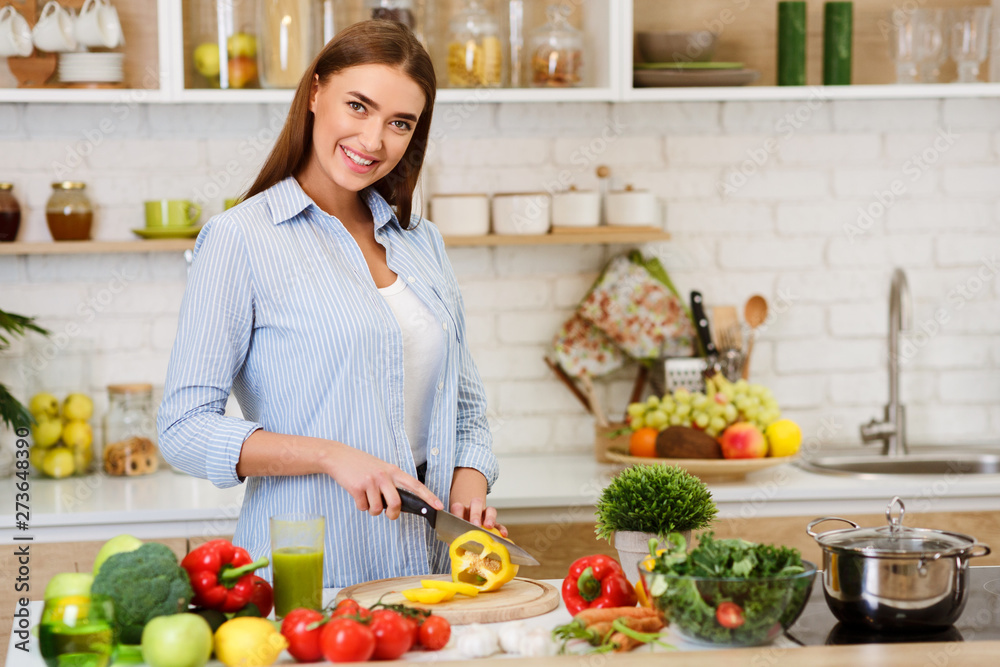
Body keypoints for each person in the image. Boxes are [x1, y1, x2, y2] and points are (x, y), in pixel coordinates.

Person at [157, 20, 501, 587]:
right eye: (358, 106)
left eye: (399, 123)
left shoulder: (423, 242)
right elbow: (184, 430)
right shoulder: (241, 239)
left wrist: (470, 484)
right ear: (315, 92)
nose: (373, 142)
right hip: (314, 572)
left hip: (439, 569)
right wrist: (330, 455)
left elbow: (463, 404)